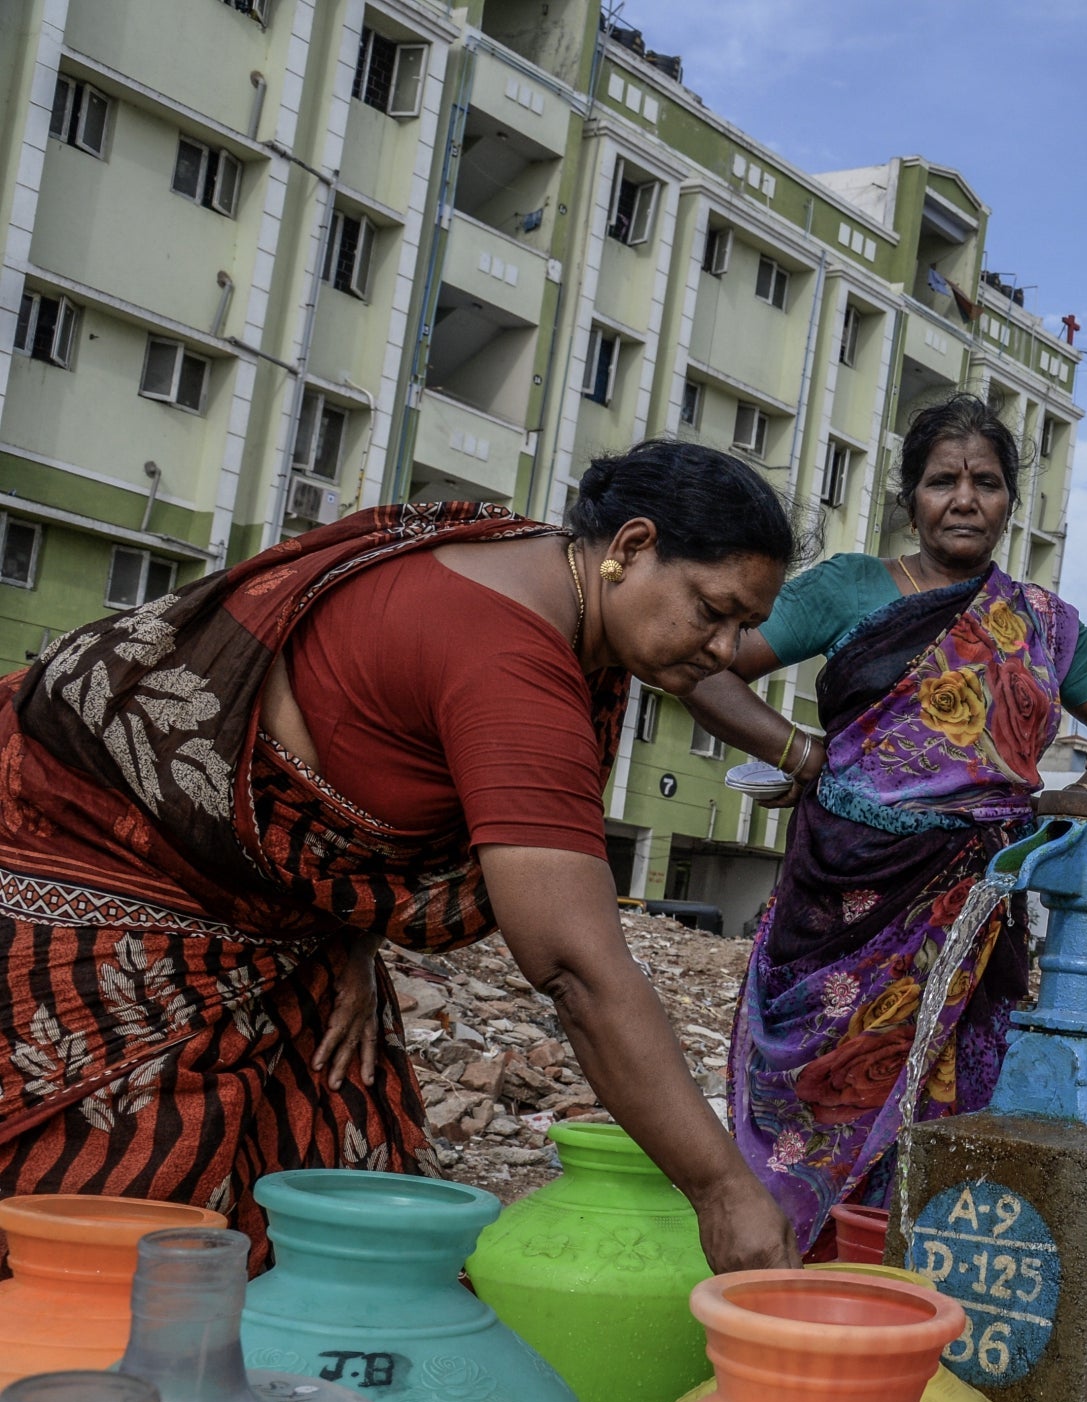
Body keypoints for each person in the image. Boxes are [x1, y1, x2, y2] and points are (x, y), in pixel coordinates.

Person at [0, 443, 802, 1271]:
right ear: (629, 549)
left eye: (745, 626)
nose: (726, 648)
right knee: (111, 1222)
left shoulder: (521, 565)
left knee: (335, 1186)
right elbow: (576, 970)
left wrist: (348, 924)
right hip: (93, 848)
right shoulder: (512, 666)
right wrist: (721, 1190)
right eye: (714, 610)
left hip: (281, 907)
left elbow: (345, 746)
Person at [683, 396, 1087, 1255]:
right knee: (811, 1102)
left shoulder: (1045, 627)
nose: (964, 499)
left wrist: (1069, 803)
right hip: (841, 902)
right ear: (911, 500)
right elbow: (698, 663)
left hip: (969, 913)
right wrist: (798, 751)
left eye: (986, 482)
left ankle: (897, 1297)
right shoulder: (850, 588)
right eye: (943, 481)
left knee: (942, 1115)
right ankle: (781, 1286)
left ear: (1013, 502)